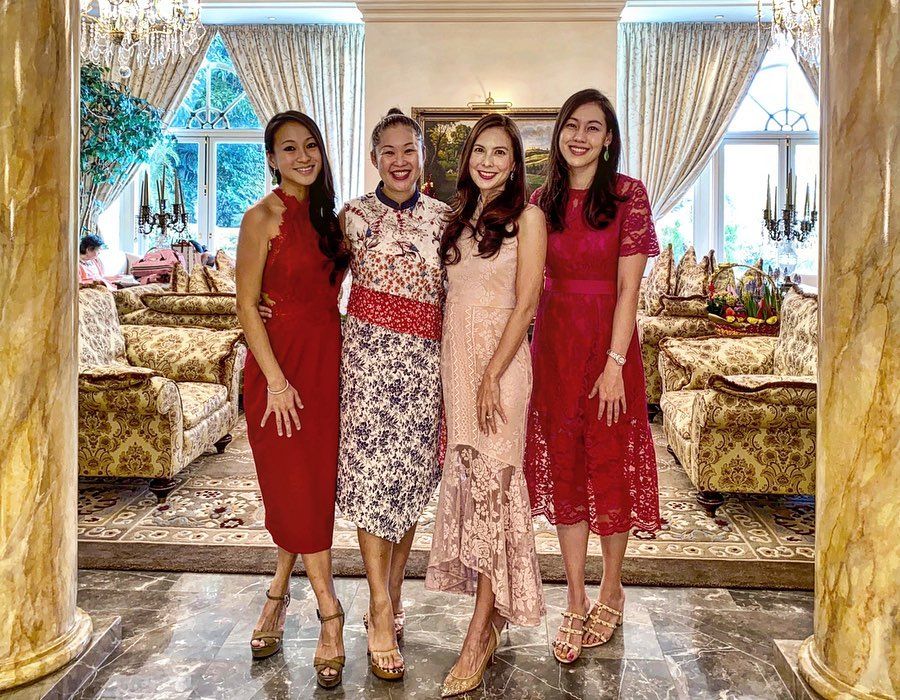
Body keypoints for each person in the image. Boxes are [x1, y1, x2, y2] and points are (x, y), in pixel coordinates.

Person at [523, 89, 662, 664]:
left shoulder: (629, 196)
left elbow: (629, 288)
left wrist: (615, 363)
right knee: (567, 468)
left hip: (608, 351)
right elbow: (523, 283)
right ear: (559, 133)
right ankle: (575, 598)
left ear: (609, 139)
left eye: (594, 127)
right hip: (553, 348)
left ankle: (612, 588)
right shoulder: (540, 201)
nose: (580, 136)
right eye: (571, 125)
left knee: (607, 465)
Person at [426, 114, 547, 697]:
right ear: (468, 158)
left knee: (496, 486)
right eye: (481, 151)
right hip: (457, 365)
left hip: (501, 368)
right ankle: (489, 611)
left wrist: (493, 375)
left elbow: (525, 306)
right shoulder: (457, 220)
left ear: (515, 162)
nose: (489, 161)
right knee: (471, 484)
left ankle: (477, 635)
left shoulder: (529, 218)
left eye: (501, 153)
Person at [235, 110, 349, 688]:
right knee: (290, 484)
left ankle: (278, 592)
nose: (303, 156)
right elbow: (246, 306)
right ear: (272, 157)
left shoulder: (333, 219)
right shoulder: (260, 218)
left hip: (328, 363)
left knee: (312, 487)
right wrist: (276, 381)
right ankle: (330, 610)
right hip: (278, 373)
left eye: (311, 145)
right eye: (289, 148)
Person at [337, 108, 447, 681]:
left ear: (420, 156)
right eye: (389, 151)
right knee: (369, 485)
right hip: (366, 367)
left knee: (405, 489)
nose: (400, 161)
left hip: (424, 369)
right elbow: (316, 282)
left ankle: (395, 592)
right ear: (374, 157)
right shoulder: (352, 216)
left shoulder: (446, 220)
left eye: (409, 150)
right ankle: (378, 606)